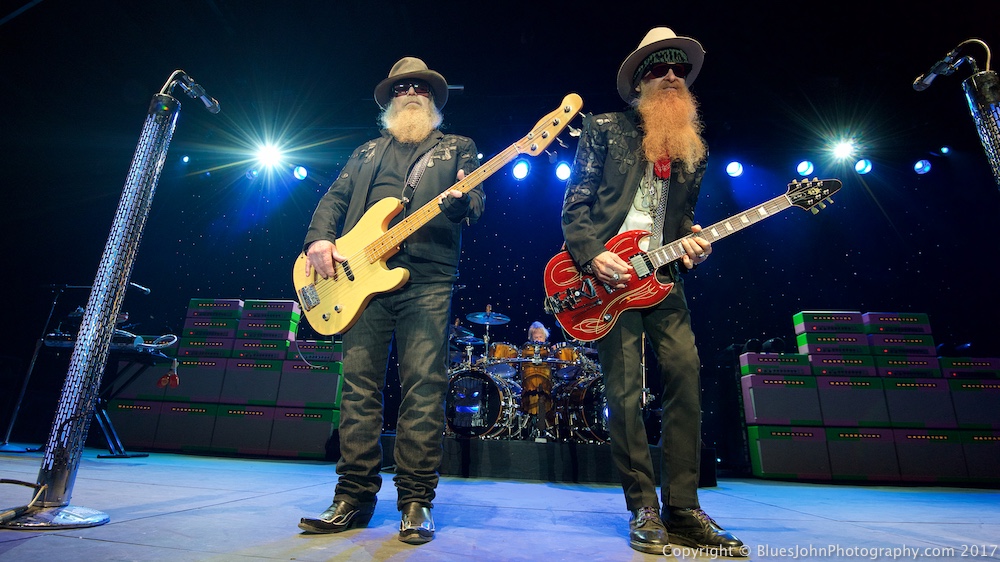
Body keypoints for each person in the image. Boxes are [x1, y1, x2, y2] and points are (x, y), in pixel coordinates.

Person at [560, 28, 745, 555]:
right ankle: (643, 506)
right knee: (623, 393)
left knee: (686, 378)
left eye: (679, 69)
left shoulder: (694, 150)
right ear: (639, 79)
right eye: (659, 67)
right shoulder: (603, 129)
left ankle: (684, 509)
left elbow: (684, 221)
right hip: (609, 278)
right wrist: (592, 254)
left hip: (664, 281)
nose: (671, 75)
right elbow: (576, 205)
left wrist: (695, 242)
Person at [297, 57, 485, 545]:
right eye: (402, 87)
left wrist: (463, 202)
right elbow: (334, 200)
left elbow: (476, 203)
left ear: (433, 99)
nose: (411, 92)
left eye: (420, 87)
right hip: (359, 281)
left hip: (427, 279)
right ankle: (352, 499)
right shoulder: (365, 152)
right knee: (358, 389)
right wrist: (319, 240)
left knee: (423, 386)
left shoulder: (457, 148)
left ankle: (416, 500)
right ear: (389, 99)